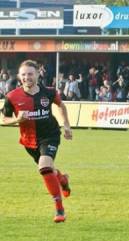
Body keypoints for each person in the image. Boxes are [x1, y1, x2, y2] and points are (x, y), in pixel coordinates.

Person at [1, 60, 72, 223]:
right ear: (19, 76)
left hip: (50, 135)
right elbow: (3, 118)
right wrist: (16, 120)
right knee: (48, 170)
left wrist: (66, 125)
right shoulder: (12, 96)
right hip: (28, 141)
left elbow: (61, 105)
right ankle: (62, 179)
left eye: (30, 74)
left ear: (38, 74)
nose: (27, 77)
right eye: (24, 74)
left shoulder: (49, 92)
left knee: (44, 166)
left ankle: (59, 209)